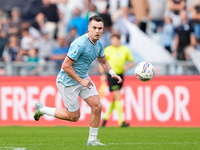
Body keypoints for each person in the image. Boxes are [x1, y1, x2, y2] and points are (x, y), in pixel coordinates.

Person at [33, 15, 122, 146]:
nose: (97, 31)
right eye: (94, 28)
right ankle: (42, 110)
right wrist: (81, 81)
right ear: (89, 28)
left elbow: (103, 61)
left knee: (97, 106)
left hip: (83, 78)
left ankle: (92, 140)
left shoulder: (100, 43)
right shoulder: (79, 44)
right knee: (74, 117)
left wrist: (113, 73)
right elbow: (65, 66)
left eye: (100, 28)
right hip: (67, 81)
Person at [99, 32, 134, 127]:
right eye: (111, 39)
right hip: (111, 76)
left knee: (115, 99)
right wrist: (102, 74)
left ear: (118, 40)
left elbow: (131, 62)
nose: (112, 41)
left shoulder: (125, 50)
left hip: (121, 75)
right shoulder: (108, 49)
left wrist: (127, 67)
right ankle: (121, 121)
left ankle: (105, 119)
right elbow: (101, 62)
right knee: (117, 96)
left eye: (114, 39)